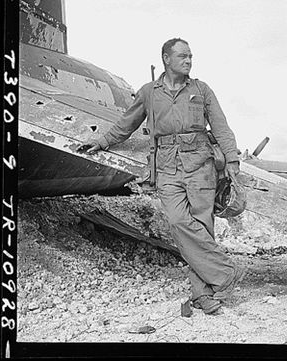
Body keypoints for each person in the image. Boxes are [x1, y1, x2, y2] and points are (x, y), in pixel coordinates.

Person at [78, 38, 245, 315]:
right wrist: (104, 141)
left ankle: (203, 294)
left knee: (202, 228)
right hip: (166, 166)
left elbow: (221, 127)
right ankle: (225, 271)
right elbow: (127, 123)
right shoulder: (148, 93)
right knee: (178, 222)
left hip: (201, 166)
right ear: (166, 59)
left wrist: (233, 159)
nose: (189, 60)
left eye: (191, 55)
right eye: (182, 55)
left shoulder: (202, 90)